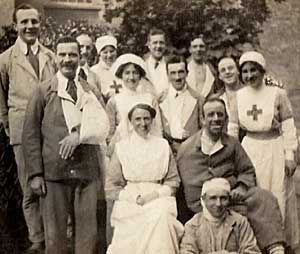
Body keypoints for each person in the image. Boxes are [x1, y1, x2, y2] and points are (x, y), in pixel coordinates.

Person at [22, 36, 106, 254]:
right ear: (55, 58)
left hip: (85, 173)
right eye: (63, 55)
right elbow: (30, 134)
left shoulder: (89, 90)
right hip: (54, 173)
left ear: (80, 57)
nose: (68, 59)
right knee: (55, 237)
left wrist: (79, 135)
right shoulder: (43, 91)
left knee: (88, 237)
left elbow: (102, 123)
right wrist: (35, 174)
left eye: (72, 55)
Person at [177, 97, 286, 254]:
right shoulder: (187, 149)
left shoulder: (232, 143)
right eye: (211, 115)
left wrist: (241, 187)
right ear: (202, 119)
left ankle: (276, 248)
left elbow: (247, 169)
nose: (216, 119)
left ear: (226, 119)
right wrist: (212, 198)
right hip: (206, 201)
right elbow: (188, 185)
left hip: (233, 196)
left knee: (263, 197)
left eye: (220, 115)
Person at [228, 51, 299, 249]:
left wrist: (290, 155)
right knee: (254, 194)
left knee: (277, 193)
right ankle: (256, 242)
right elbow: (233, 130)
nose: (249, 75)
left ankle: (279, 243)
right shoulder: (238, 96)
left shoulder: (277, 94)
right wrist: (232, 157)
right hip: (249, 149)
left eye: (253, 70)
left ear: (262, 71)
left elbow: (288, 126)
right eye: (245, 71)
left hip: (274, 148)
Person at [0, 4, 56, 252]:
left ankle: (56, 235)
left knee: (52, 183)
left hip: (49, 129)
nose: (30, 26)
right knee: (30, 186)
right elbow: (1, 99)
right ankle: (37, 239)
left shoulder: (51, 56)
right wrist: (10, 129)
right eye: (24, 22)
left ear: (40, 24)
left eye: (34, 21)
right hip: (22, 130)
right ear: (15, 26)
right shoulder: (5, 59)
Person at [105, 103, 184, 254]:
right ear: (131, 122)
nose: (143, 123)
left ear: (153, 120)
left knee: (161, 218)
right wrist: (134, 198)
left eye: (147, 118)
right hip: (130, 199)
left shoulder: (162, 145)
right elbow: (111, 186)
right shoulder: (122, 147)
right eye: (138, 119)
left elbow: (173, 180)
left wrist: (155, 195)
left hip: (159, 197)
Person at [180, 178, 261, 254]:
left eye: (223, 198)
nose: (218, 204)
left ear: (229, 200)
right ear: (204, 199)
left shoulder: (239, 222)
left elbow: (252, 251)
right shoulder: (192, 226)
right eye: (213, 198)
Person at [106, 53, 162, 148]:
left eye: (135, 73)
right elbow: (109, 132)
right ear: (121, 75)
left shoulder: (149, 98)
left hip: (148, 146)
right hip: (124, 146)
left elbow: (158, 128)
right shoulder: (114, 100)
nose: (131, 77)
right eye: (127, 73)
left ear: (140, 76)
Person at [160, 55, 203, 155]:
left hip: (192, 152)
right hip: (167, 152)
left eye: (180, 72)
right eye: (173, 73)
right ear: (167, 75)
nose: (177, 77)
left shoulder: (198, 99)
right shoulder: (159, 100)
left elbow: (204, 129)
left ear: (187, 73)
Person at [76, 33, 104, 103]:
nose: (84, 51)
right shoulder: (66, 73)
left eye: (88, 48)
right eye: (81, 47)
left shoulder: (95, 76)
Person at [91, 35, 119, 101]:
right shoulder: (94, 71)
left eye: (112, 51)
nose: (109, 55)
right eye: (105, 52)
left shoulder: (122, 67)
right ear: (99, 54)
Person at [145, 28, 169, 96]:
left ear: (165, 45)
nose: (158, 46)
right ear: (149, 45)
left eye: (161, 43)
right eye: (155, 43)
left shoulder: (170, 65)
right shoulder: (143, 66)